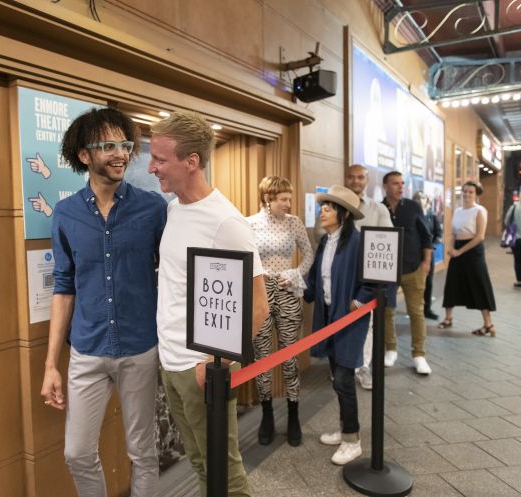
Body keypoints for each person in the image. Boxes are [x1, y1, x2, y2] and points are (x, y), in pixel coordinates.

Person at [40, 108, 167, 497]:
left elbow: (174, 276)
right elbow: (64, 287)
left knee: (142, 452)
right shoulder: (65, 214)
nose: (121, 154)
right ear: (84, 155)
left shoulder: (154, 208)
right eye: (108, 145)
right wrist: (50, 365)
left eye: (125, 145)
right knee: (77, 452)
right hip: (87, 351)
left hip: (139, 347)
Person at [148, 111, 269, 497]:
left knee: (224, 468)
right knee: (199, 462)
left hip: (200, 370)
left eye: (160, 159)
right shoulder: (174, 208)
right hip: (171, 363)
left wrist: (217, 361)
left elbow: (259, 307)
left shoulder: (226, 222)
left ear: (192, 161)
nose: (151, 167)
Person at [304, 185, 373, 466]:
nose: (323, 211)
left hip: (349, 319)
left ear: (343, 214)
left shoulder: (358, 242)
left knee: (344, 378)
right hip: (328, 316)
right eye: (323, 207)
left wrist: (357, 302)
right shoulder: (325, 241)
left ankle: (352, 440)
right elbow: (316, 278)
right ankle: (345, 428)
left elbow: (373, 281)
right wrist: (299, 287)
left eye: (329, 208)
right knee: (336, 376)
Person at [246, 175, 313, 447]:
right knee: (262, 356)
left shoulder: (294, 223)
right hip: (260, 293)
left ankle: (294, 414)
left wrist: (296, 272)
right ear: (268, 198)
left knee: (289, 355)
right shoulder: (248, 224)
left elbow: (308, 254)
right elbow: (244, 258)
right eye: (284, 198)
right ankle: (267, 416)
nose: (289, 203)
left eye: (289, 197)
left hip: (287, 291)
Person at [345, 164, 393, 391]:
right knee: (338, 321)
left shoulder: (378, 210)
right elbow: (321, 236)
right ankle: (342, 367)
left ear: (367, 180)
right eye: (352, 177)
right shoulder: (334, 206)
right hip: (340, 276)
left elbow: (386, 242)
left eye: (360, 177)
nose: (356, 181)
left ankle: (363, 368)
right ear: (346, 179)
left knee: (367, 324)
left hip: (366, 279)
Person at [382, 171, 433, 375]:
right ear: (386, 185)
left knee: (416, 313)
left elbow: (426, 235)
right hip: (387, 271)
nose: (400, 187)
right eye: (395, 183)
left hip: (413, 269)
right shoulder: (379, 208)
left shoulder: (412, 207)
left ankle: (419, 355)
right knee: (386, 312)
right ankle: (391, 349)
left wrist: (426, 263)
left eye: (402, 183)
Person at [438, 181, 496, 335]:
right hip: (458, 249)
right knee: (451, 283)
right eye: (464, 191)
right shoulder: (457, 211)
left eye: (470, 192)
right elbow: (454, 233)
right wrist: (450, 247)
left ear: (476, 194)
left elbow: (479, 237)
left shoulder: (479, 211)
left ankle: (488, 324)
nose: (467, 194)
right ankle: (448, 318)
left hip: (473, 252)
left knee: (479, 284)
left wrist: (460, 251)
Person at [413, 191, 442, 320]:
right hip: (412, 255)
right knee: (413, 283)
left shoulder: (431, 216)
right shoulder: (410, 215)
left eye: (422, 198)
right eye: (417, 198)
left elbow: (438, 234)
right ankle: (414, 309)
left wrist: (431, 247)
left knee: (428, 282)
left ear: (427, 200)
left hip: (428, 255)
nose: (420, 200)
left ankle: (427, 309)